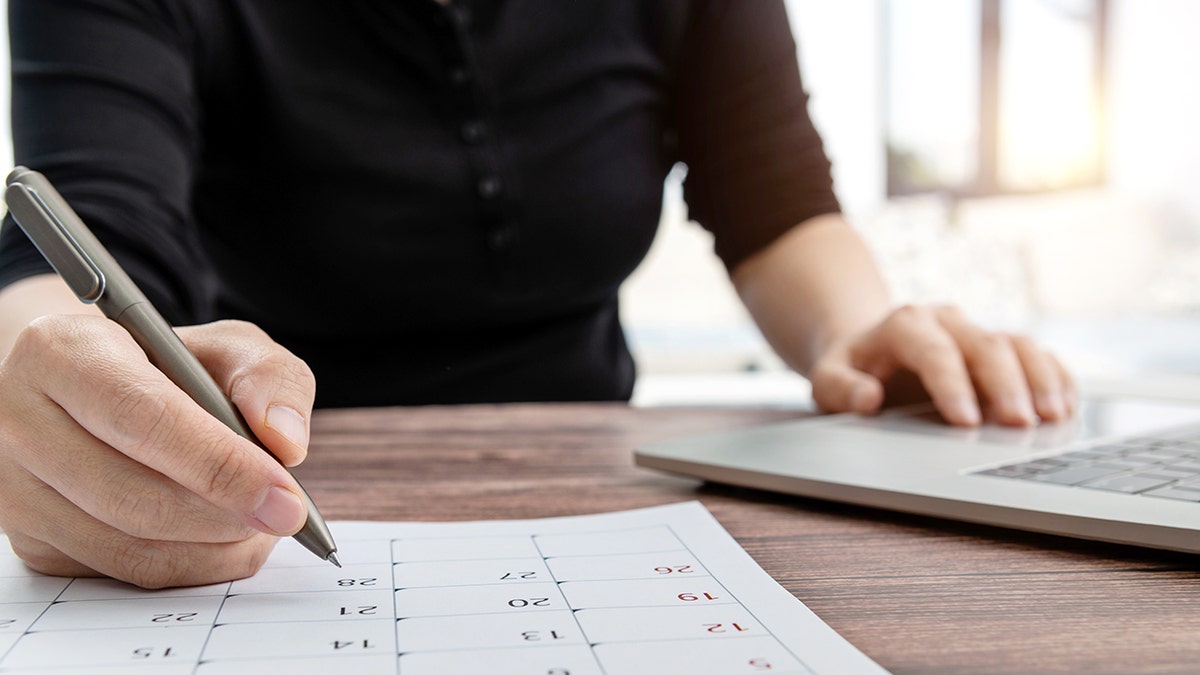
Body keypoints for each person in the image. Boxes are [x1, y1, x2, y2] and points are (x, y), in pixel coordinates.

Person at [0, 0, 1074, 588]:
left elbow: (779, 201)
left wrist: (859, 330)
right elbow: (89, 235)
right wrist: (39, 381)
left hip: (614, 478)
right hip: (273, 473)